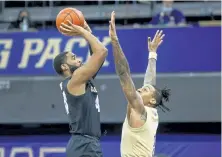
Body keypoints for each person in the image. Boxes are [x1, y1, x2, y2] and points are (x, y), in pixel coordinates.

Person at [109, 11, 170, 157]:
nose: (141, 88)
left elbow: (124, 73)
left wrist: (114, 41)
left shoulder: (140, 110)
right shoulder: (152, 112)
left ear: (152, 100)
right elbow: (150, 81)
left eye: (145, 89)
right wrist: (153, 54)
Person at [53, 20, 107, 157]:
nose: (78, 60)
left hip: (85, 144)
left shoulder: (81, 80)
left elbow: (97, 57)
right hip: (84, 145)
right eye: (73, 58)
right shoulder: (75, 80)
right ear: (64, 67)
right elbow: (102, 51)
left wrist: (88, 34)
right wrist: (82, 32)